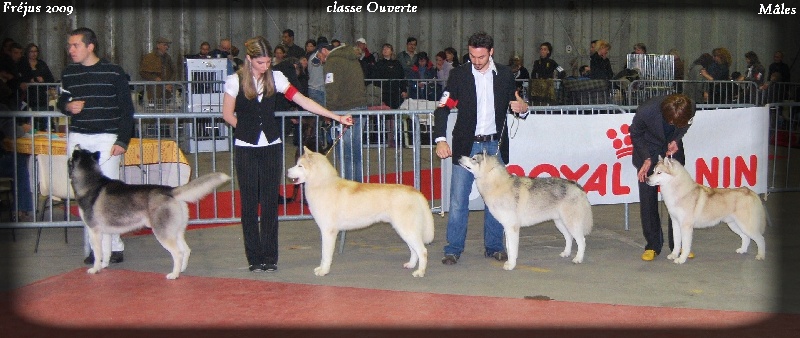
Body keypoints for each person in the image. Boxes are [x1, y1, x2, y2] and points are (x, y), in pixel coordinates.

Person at [221, 36, 353, 273]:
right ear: (249, 60)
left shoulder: (277, 78)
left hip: (272, 145)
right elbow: (228, 114)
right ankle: (254, 257)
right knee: (249, 204)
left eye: (268, 62)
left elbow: (304, 101)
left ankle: (270, 257)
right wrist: (245, 131)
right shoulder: (234, 81)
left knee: (271, 202)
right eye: (260, 63)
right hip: (246, 148)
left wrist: (335, 117)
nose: (265, 67)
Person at [433, 31, 528, 265]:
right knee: (458, 200)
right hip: (466, 145)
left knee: (497, 200)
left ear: (491, 53)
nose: (476, 61)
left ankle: (494, 246)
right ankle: (453, 248)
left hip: (494, 146)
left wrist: (523, 108)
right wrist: (440, 139)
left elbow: (518, 105)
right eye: (472, 56)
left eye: (481, 57)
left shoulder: (505, 75)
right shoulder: (459, 75)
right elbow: (443, 108)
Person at [57, 27, 135, 264]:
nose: (71, 50)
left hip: (107, 138)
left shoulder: (114, 72)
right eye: (69, 46)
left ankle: (115, 245)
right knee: (84, 196)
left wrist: (122, 140)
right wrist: (67, 107)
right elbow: (61, 100)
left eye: (75, 45)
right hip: (79, 139)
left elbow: (126, 110)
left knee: (107, 195)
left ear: (90, 46)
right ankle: (96, 249)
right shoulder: (69, 73)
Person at [629, 94, 695, 261]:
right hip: (647, 149)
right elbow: (635, 133)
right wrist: (646, 158)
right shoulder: (647, 111)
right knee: (648, 198)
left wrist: (676, 139)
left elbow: (686, 125)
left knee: (681, 200)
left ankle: (678, 246)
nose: (673, 124)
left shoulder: (690, 106)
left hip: (671, 152)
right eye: (671, 122)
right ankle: (652, 245)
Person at [316, 42, 368, 181]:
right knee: (356, 152)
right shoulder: (351, 57)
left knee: (345, 152)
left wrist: (329, 113)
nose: (320, 60)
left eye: (319, 55)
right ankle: (358, 185)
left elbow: (331, 89)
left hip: (345, 109)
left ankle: (348, 187)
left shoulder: (332, 62)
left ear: (325, 50)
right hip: (360, 107)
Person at [18, 43, 55, 112]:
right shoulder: (23, 63)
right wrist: (29, 80)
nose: (34, 53)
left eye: (35, 51)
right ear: (27, 52)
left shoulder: (42, 64)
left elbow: (51, 78)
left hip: (41, 94)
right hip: (28, 94)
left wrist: (43, 79)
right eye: (31, 51)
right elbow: (20, 77)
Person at [139, 37, 176, 103]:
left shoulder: (168, 58)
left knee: (166, 108)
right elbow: (143, 72)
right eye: (165, 45)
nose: (167, 47)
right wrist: (154, 78)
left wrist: (170, 83)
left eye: (167, 45)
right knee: (154, 108)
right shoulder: (149, 57)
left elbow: (173, 71)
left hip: (167, 90)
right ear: (158, 46)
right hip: (154, 89)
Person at [373, 43, 407, 109]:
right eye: (384, 49)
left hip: (395, 92)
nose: (385, 50)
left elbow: (402, 77)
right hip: (383, 92)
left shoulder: (397, 64)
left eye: (387, 48)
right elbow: (375, 78)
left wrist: (404, 90)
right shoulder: (378, 64)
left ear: (391, 51)